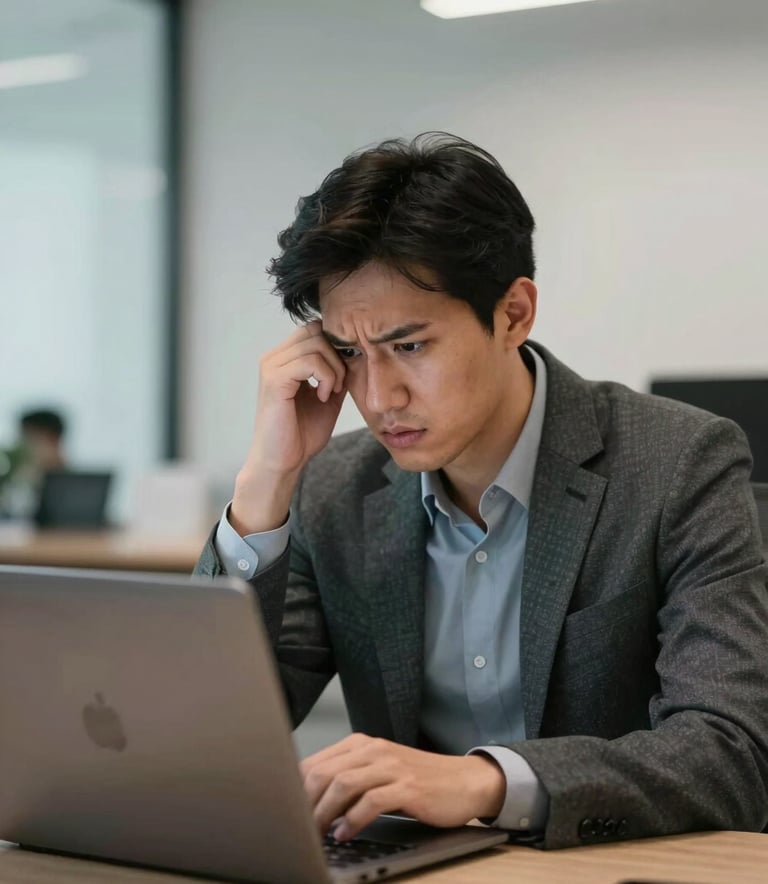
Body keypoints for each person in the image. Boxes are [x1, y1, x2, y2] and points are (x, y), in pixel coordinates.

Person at [194, 133, 768, 849]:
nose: (378, 396)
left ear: (514, 314)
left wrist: (487, 781)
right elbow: (207, 736)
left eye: (409, 346)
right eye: (348, 353)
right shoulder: (332, 488)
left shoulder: (679, 463)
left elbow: (731, 751)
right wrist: (266, 481)